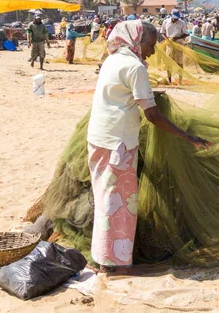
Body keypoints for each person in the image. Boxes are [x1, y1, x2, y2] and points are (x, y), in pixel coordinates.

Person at [87, 20, 212, 273]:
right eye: (150, 45)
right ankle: (114, 265)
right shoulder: (134, 67)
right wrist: (189, 137)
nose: (153, 51)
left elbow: (124, 94)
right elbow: (152, 116)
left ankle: (102, 259)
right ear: (135, 39)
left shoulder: (113, 59)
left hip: (98, 138)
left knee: (104, 200)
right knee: (120, 206)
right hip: (118, 145)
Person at [160, 9, 189, 84]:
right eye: (174, 18)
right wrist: (166, 38)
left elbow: (186, 34)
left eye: (177, 18)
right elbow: (162, 32)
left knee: (179, 63)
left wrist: (178, 38)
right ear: (171, 16)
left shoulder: (181, 23)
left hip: (179, 45)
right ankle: (170, 80)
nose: (176, 20)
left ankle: (180, 81)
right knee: (168, 63)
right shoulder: (166, 22)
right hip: (169, 45)